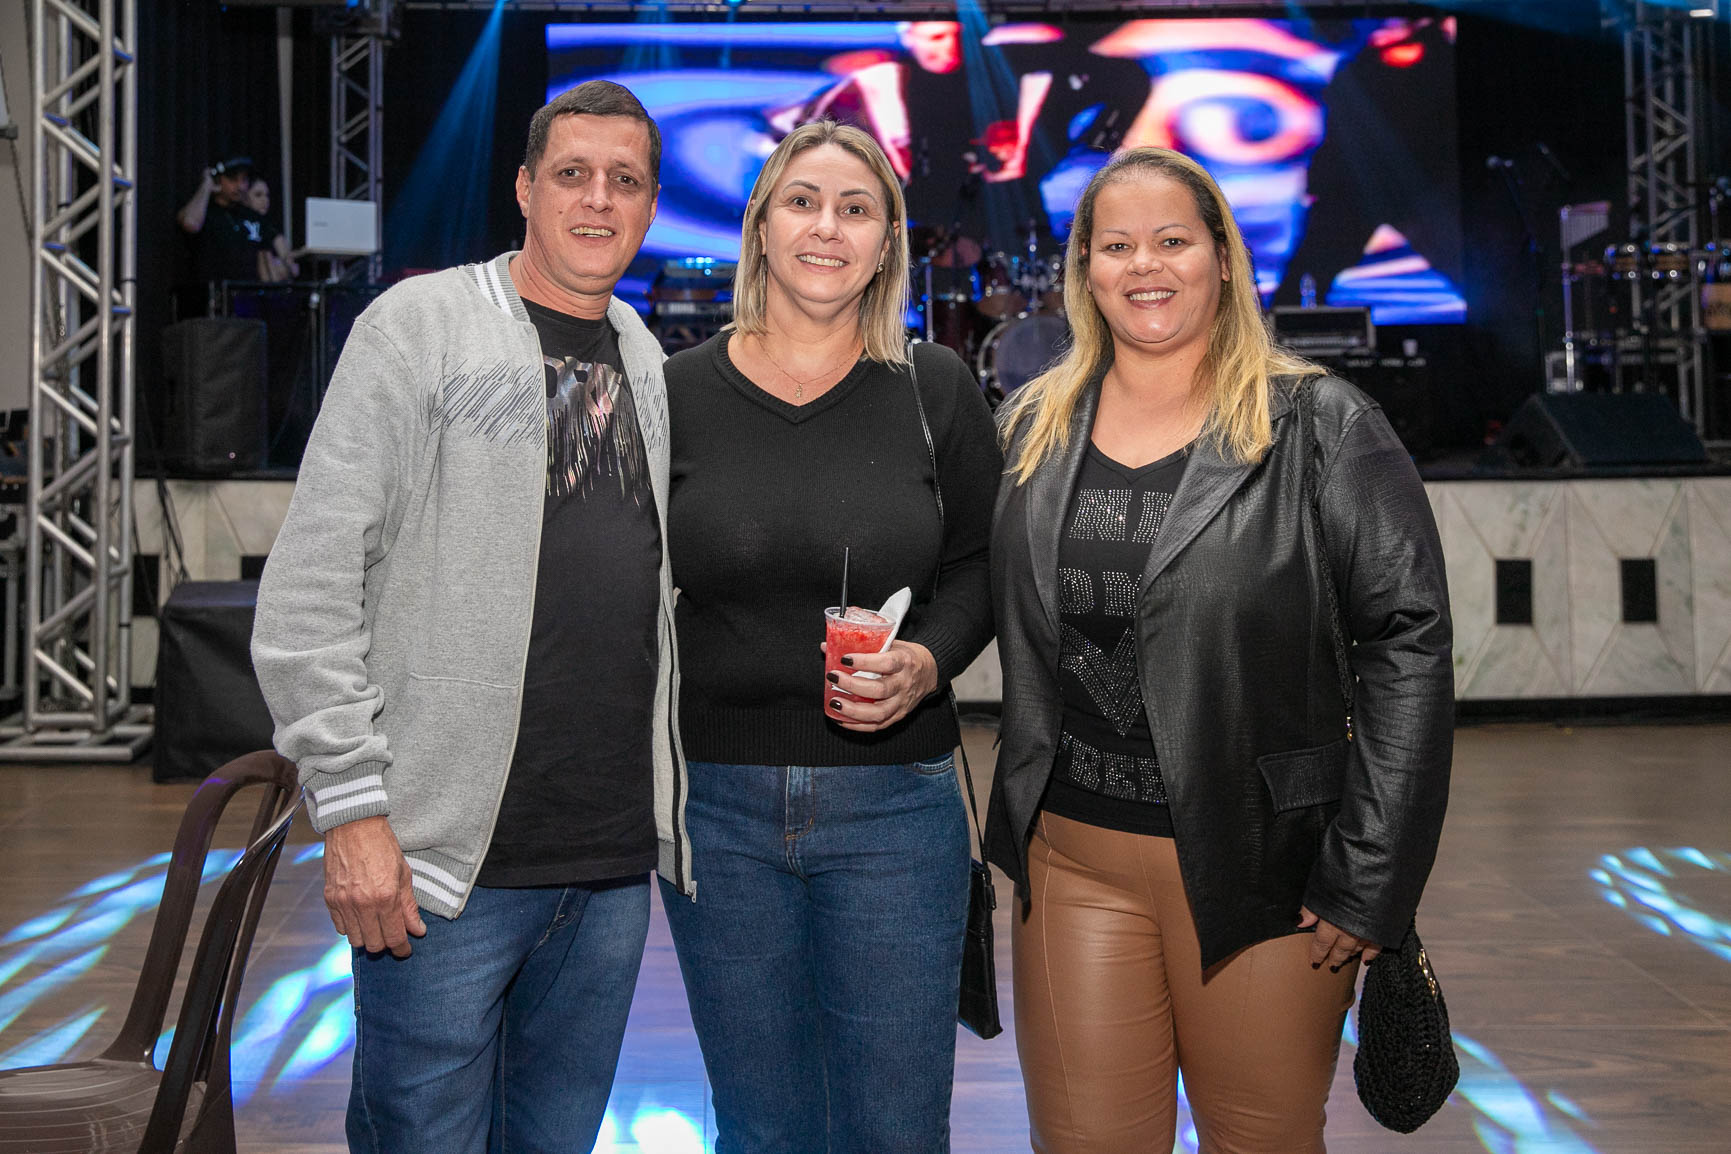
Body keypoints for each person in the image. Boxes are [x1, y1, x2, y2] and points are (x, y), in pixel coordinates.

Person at [251, 80, 690, 1154]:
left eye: (625, 181)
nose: (598, 200)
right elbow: (309, 586)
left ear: (650, 205)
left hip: (606, 866)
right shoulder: (422, 326)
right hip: (443, 869)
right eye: (573, 175)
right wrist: (351, 809)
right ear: (525, 189)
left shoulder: (642, 353)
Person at [986, 147, 1453, 1153]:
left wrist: (1373, 872)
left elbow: (1407, 644)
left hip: (1267, 871)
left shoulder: (1321, 424)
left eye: (1172, 240)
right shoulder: (1034, 427)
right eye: (1116, 245)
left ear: (1223, 258)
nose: (1144, 266)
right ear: (1084, 271)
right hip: (1070, 859)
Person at [661, 120, 1000, 1153]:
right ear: (760, 227)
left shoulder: (934, 388)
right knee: (762, 1127)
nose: (827, 227)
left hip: (896, 807)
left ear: (886, 243)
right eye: (802, 202)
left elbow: (982, 567)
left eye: (857, 210)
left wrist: (927, 662)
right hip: (715, 809)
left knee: (895, 1129)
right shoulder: (673, 393)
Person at [176, 155, 277, 286]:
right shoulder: (204, 212)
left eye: (244, 180)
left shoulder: (254, 217)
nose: (240, 186)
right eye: (233, 180)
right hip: (211, 293)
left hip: (246, 294)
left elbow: (264, 267)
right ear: (218, 180)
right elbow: (190, 223)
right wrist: (207, 184)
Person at [242, 176, 300, 282]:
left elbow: (291, 266)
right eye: (258, 195)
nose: (265, 200)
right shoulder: (238, 223)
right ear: (245, 197)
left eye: (267, 195)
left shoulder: (269, 228)